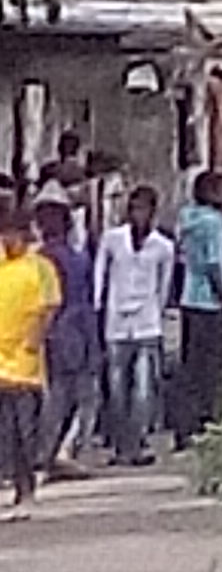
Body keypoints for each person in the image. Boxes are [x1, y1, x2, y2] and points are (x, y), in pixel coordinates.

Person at [93, 186, 178, 466]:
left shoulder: (163, 247)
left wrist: (158, 311)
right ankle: (120, 445)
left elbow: (164, 285)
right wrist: (99, 306)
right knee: (117, 388)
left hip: (147, 323)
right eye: (135, 208)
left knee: (143, 388)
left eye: (144, 209)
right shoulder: (112, 240)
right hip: (116, 322)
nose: (139, 214)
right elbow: (100, 275)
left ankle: (137, 442)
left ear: (153, 212)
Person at [0, 196, 61, 518]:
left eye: (12, 234)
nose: (8, 240)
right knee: (5, 431)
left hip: (25, 364)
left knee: (25, 430)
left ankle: (26, 489)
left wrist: (34, 340)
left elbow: (49, 306)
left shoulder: (40, 267)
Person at [167, 171, 222, 443]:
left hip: (188, 296)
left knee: (189, 365)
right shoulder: (214, 222)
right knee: (210, 368)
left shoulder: (186, 218)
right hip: (209, 300)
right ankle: (206, 421)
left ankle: (183, 425)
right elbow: (214, 262)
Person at [32, 203, 99, 476]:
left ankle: (47, 453)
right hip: (82, 326)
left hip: (57, 328)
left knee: (57, 394)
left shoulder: (41, 260)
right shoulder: (78, 257)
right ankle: (63, 451)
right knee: (81, 394)